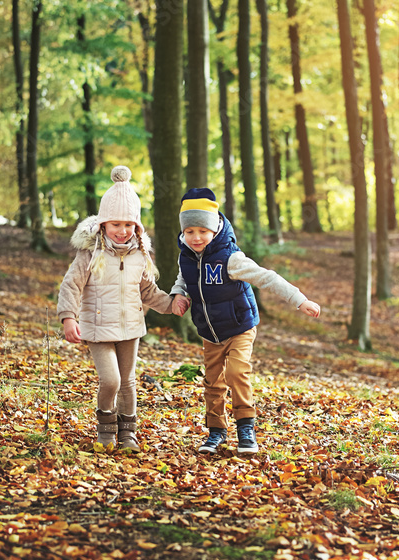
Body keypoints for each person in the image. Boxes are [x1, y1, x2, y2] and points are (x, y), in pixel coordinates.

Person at [170, 188, 322, 454]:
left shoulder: (231, 258)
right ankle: (216, 432)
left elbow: (268, 278)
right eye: (190, 231)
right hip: (209, 331)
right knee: (213, 381)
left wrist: (300, 300)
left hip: (240, 326)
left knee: (236, 373)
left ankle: (245, 429)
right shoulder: (185, 255)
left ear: (215, 228)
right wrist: (178, 294)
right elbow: (183, 278)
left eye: (202, 231)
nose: (196, 237)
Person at [57, 166, 176, 452]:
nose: (122, 231)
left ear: (136, 226)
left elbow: (148, 291)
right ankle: (106, 428)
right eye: (115, 225)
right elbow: (71, 285)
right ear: (102, 225)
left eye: (128, 225)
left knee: (128, 383)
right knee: (111, 380)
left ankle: (128, 435)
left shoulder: (139, 255)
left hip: (130, 329)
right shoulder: (90, 253)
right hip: (97, 329)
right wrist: (68, 318)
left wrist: (172, 304)